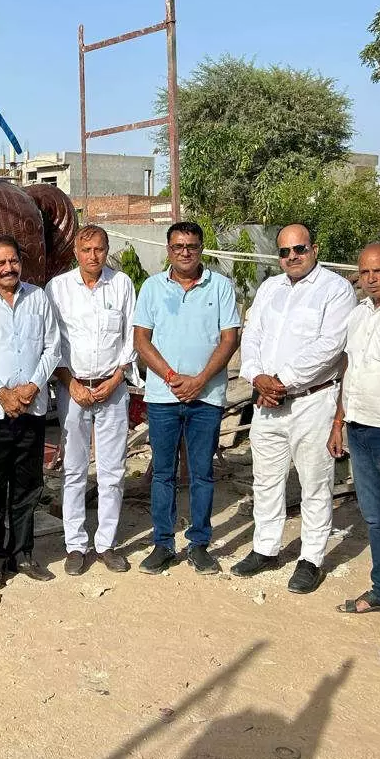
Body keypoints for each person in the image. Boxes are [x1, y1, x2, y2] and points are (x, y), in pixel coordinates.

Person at [232, 223, 356, 593]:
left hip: (311, 401)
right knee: (266, 479)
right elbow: (251, 337)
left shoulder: (335, 291)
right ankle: (266, 548)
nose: (292, 257)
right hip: (267, 402)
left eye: (299, 250)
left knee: (314, 482)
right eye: (284, 252)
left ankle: (311, 558)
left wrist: (281, 380)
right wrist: (256, 378)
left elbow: (329, 346)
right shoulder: (270, 289)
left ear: (314, 249)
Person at [133, 221, 241, 575]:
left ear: (201, 248)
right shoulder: (151, 287)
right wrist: (171, 377)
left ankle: (199, 545)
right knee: (163, 473)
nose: (185, 252)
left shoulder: (221, 286)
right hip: (163, 397)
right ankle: (163, 544)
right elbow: (142, 340)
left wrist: (200, 381)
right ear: (168, 249)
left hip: (206, 398)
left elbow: (229, 339)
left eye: (191, 246)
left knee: (201, 473)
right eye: (178, 246)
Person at [0, 235, 62, 589]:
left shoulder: (38, 298)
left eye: (13, 261)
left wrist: (32, 388)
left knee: (28, 485)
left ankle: (23, 554)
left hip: (32, 408)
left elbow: (53, 348)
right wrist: (3, 394)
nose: (8, 268)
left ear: (21, 262)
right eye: (0, 262)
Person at [328, 244, 380, 635]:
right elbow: (350, 370)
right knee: (375, 517)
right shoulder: (357, 316)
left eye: (378, 271)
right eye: (364, 273)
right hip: (359, 428)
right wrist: (338, 422)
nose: (371, 279)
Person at [45, 225, 138, 575]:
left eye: (99, 249)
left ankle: (106, 543)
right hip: (74, 389)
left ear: (106, 249)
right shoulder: (59, 288)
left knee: (113, 470)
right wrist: (70, 382)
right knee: (75, 470)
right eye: (86, 250)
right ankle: (75, 544)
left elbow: (131, 337)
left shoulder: (122, 284)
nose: (93, 256)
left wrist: (117, 380)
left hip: (112, 389)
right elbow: (52, 343)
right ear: (76, 252)